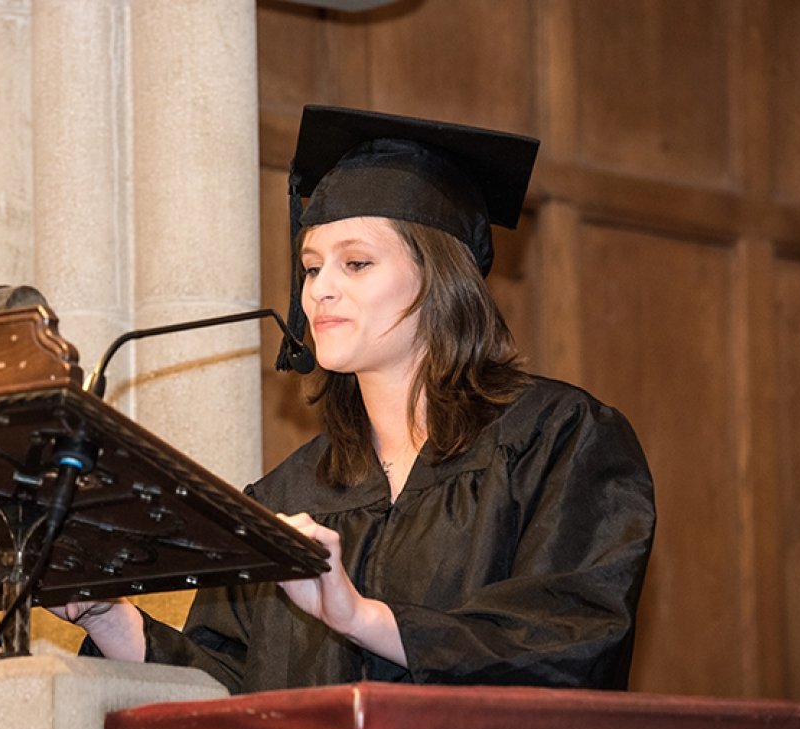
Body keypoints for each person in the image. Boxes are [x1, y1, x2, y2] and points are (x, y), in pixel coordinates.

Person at [52, 105, 655, 693]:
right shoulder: (288, 498)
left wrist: (361, 618)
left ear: (442, 277)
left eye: (357, 263)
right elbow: (232, 695)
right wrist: (110, 617)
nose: (321, 291)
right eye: (311, 269)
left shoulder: (559, 441)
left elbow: (572, 642)